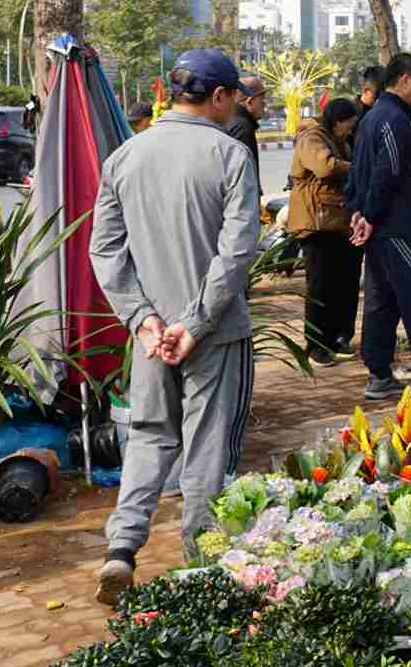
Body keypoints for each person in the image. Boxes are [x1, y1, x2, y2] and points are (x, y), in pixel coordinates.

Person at [89, 48, 260, 605]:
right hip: (212, 334)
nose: (236, 105)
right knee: (208, 449)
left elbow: (106, 251)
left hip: (151, 339)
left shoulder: (125, 158)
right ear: (218, 96)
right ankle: (202, 561)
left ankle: (121, 549)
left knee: (148, 437)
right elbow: (236, 252)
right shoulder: (230, 155)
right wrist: (197, 321)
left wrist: (143, 321)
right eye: (235, 95)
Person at [346, 53, 411, 400]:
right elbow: (385, 173)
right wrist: (368, 215)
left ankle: (379, 374)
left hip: (379, 227)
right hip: (395, 228)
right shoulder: (392, 119)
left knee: (380, 302)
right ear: (403, 79)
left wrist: (359, 212)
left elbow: (361, 172)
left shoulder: (373, 117)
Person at [289, 98, 362, 363]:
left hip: (337, 221)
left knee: (342, 284)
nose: (350, 131)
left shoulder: (338, 139)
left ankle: (336, 337)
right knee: (320, 286)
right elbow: (325, 166)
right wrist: (357, 168)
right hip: (316, 223)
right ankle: (316, 344)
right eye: (349, 126)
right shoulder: (312, 138)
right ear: (338, 121)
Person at [225, 74, 267, 201]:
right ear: (249, 101)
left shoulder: (231, 120)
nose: (265, 105)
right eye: (262, 99)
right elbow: (243, 177)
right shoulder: (243, 127)